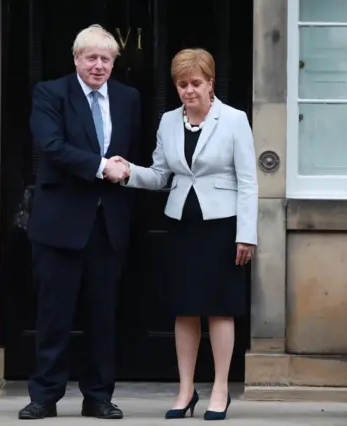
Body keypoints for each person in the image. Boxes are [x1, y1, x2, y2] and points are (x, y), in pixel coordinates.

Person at [112, 48, 258, 421]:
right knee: (185, 308)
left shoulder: (234, 120)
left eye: (196, 83)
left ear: (211, 83)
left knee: (221, 309)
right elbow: (161, 175)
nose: (189, 90)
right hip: (180, 226)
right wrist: (129, 171)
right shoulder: (167, 122)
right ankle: (185, 389)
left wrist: (247, 234)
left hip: (223, 228)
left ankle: (221, 389)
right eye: (182, 84)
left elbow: (248, 181)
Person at [18, 24, 140, 420]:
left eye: (106, 58)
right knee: (54, 316)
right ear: (76, 59)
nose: (99, 65)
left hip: (108, 226)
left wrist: (125, 167)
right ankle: (45, 396)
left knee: (103, 319)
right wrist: (104, 166)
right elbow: (51, 147)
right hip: (59, 226)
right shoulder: (50, 93)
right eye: (91, 58)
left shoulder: (128, 98)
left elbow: (132, 153)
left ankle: (99, 397)